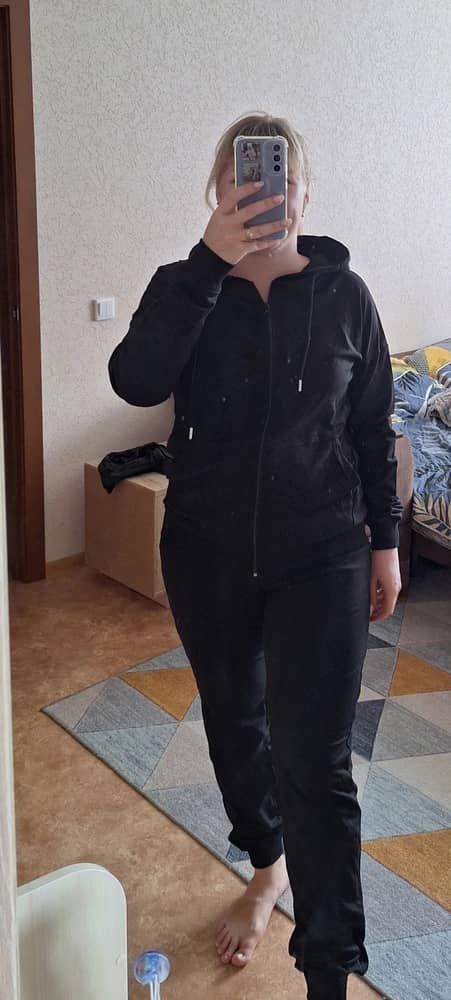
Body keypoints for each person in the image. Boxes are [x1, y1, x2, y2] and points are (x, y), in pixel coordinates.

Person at [108, 111, 402, 1000]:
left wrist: (385, 544)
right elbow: (134, 381)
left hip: (324, 552)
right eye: (244, 182)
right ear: (218, 190)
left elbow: (371, 427)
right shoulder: (184, 286)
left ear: (304, 194)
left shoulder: (346, 296)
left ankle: (328, 972)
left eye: (280, 181)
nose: (265, 198)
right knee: (236, 724)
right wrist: (207, 261)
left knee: (317, 762)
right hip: (205, 550)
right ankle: (266, 870)